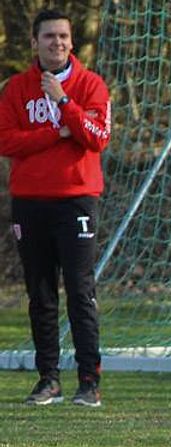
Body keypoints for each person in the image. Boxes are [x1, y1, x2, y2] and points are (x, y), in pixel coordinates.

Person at [0, 10, 111, 407]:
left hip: (76, 200)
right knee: (40, 293)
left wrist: (64, 101)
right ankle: (48, 379)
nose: (57, 43)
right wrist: (55, 133)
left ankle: (89, 381)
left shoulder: (90, 85)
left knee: (80, 292)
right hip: (30, 203)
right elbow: (6, 141)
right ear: (35, 42)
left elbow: (96, 137)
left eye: (63, 36)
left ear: (71, 41)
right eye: (49, 36)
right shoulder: (16, 88)